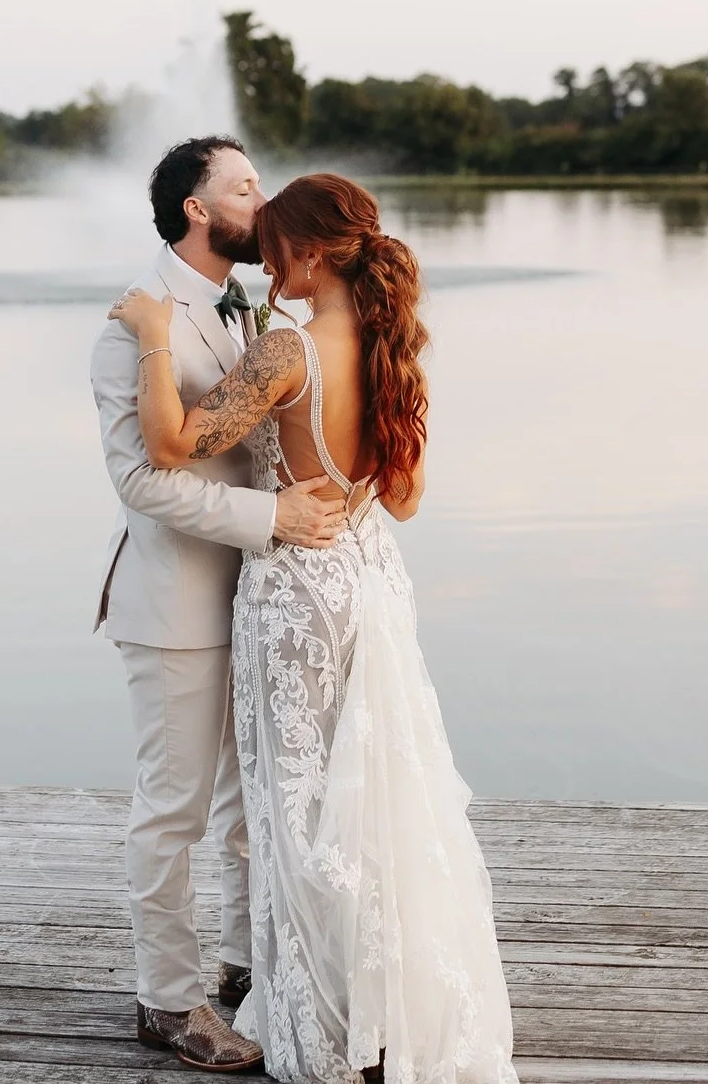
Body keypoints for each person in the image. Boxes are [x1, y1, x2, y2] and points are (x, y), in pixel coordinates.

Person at [109, 173, 520, 1084]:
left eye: (279, 242)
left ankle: (327, 1011)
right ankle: (385, 1000)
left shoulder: (288, 350)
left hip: (295, 592)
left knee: (295, 805)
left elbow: (173, 445)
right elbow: (404, 502)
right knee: (371, 790)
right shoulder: (391, 346)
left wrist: (148, 337)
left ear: (316, 252)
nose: (266, 255)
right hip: (371, 578)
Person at [91, 137, 349, 1075]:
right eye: (244, 187)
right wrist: (272, 515)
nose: (262, 198)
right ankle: (168, 1000)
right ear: (198, 210)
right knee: (174, 810)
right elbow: (141, 482)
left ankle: (247, 967)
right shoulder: (134, 325)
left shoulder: (250, 307)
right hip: (174, 606)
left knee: (256, 810)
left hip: (263, 600)